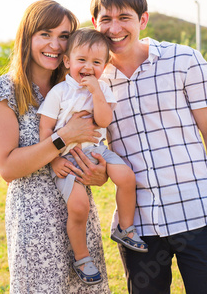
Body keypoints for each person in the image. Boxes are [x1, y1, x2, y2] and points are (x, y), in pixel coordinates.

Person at [90, 0, 207, 293]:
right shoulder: (94, 81)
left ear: (143, 20)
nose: (114, 28)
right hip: (138, 227)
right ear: (94, 23)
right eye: (106, 19)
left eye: (124, 18)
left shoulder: (185, 61)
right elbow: (92, 145)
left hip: (199, 217)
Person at [0, 0, 110, 293]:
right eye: (45, 34)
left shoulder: (77, 88)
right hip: (35, 221)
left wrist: (100, 173)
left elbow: (95, 139)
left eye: (64, 36)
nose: (55, 44)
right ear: (28, 36)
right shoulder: (5, 91)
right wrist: (63, 136)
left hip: (78, 213)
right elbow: (8, 167)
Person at [38, 28, 148, 285]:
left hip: (95, 149)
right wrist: (53, 160)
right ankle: (82, 258)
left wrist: (96, 92)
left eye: (96, 62)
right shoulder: (59, 93)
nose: (88, 67)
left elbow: (103, 120)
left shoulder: (102, 90)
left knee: (126, 177)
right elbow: (45, 129)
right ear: (67, 62)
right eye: (82, 61)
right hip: (65, 155)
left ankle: (125, 227)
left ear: (105, 65)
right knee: (79, 208)